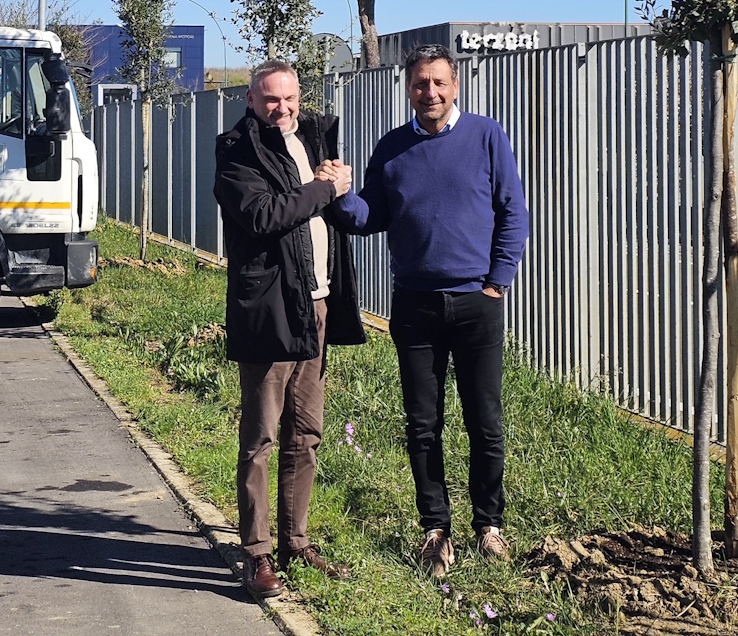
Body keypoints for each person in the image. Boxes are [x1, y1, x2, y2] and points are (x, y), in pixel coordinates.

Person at [329, 44, 529, 578]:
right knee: (423, 424)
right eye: (421, 83)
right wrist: (338, 195)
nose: (430, 92)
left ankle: (489, 525)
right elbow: (370, 213)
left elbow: (513, 212)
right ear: (408, 88)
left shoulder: (486, 136)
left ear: (455, 84)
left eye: (439, 82)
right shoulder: (392, 147)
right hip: (414, 305)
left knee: (485, 423)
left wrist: (496, 283)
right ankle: (435, 528)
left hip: (475, 304)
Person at [214, 58, 367, 599]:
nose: (283, 108)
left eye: (290, 98)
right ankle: (256, 555)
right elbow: (263, 215)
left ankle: (295, 542)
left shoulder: (315, 140)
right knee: (260, 437)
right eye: (270, 99)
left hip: (317, 303)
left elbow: (332, 208)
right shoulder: (236, 151)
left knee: (307, 432)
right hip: (270, 309)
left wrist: (341, 191)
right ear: (251, 100)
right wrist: (325, 190)